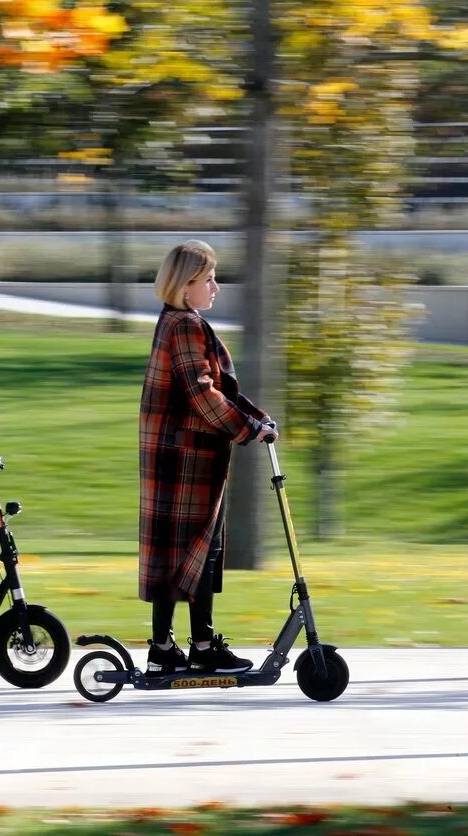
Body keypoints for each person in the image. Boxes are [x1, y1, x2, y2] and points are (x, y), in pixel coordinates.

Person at [139, 240, 278, 675]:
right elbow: (202, 393)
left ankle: (169, 647)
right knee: (199, 550)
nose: (216, 286)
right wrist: (247, 428)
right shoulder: (186, 324)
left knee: (178, 551)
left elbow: (217, 389)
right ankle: (195, 647)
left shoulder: (174, 321)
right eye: (209, 279)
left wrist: (255, 417)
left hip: (176, 453)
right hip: (188, 458)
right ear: (186, 284)